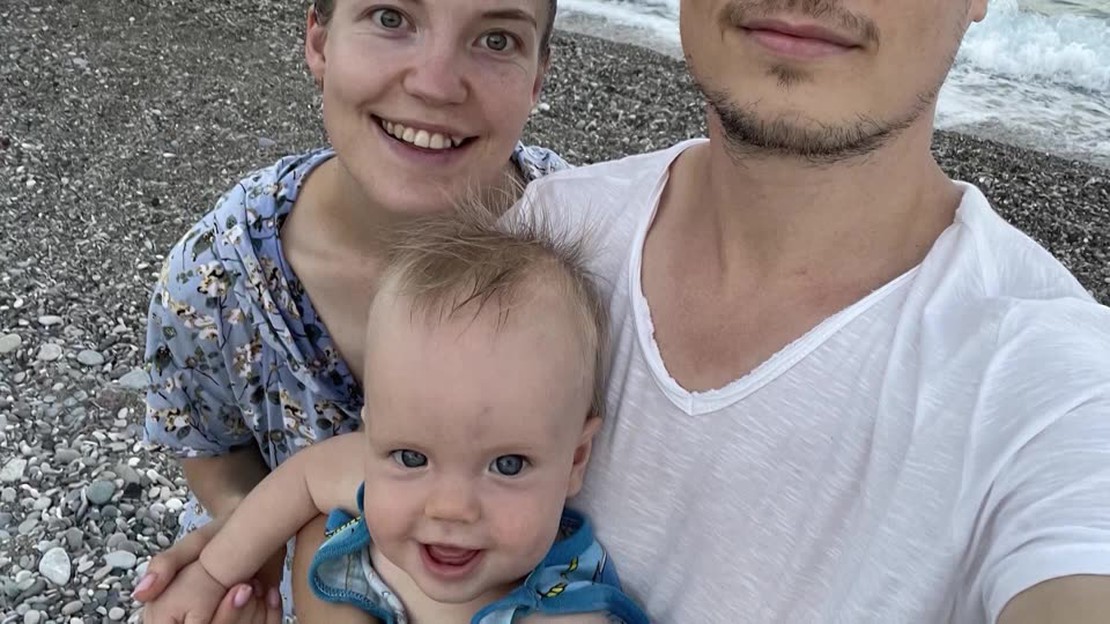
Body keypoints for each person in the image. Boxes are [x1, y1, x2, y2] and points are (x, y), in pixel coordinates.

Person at [143, 0, 1110, 621]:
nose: (435, 82)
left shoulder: (1056, 388)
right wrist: (257, 552)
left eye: (495, 37)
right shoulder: (545, 236)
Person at [136, 0, 565, 619]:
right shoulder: (216, 278)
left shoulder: (594, 248)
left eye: (497, 39)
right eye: (391, 18)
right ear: (319, 40)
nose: (436, 84)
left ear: (538, 76)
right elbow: (211, 445)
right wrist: (249, 538)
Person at [141, 209, 650, 623]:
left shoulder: (566, 611)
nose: (450, 508)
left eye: (507, 465)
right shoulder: (372, 473)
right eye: (410, 457)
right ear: (372, 430)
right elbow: (304, 478)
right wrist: (214, 572)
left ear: (575, 458)